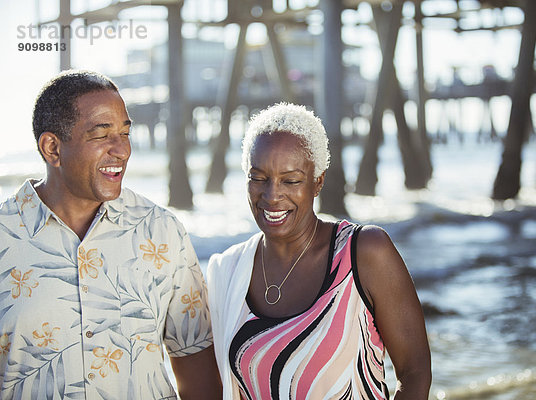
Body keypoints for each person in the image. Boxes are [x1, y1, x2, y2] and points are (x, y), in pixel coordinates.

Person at [0, 70, 221, 399]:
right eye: (101, 135)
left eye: (125, 133)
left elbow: (197, 368)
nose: (122, 150)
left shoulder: (161, 231)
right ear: (52, 148)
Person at [206, 103, 431, 399]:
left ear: (318, 182)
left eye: (291, 180)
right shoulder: (229, 270)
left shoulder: (364, 252)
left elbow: (415, 373)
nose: (272, 195)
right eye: (258, 178)